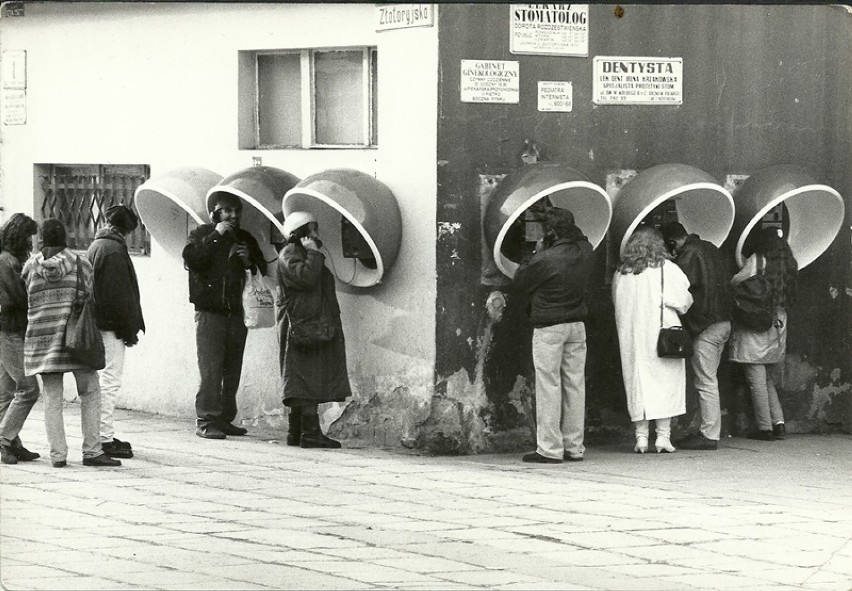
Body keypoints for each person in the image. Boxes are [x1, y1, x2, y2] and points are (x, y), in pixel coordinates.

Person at [22, 219, 120, 468]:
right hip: (76, 339)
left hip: (42, 340)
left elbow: (25, 299)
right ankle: (92, 451)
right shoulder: (80, 263)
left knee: (52, 398)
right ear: (65, 237)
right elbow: (89, 294)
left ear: (41, 239)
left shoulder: (30, 267)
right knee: (90, 391)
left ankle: (58, 455)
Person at [182, 193, 267, 440]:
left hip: (238, 312)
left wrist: (249, 261)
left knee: (232, 369)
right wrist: (216, 235)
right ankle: (206, 420)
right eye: (226, 210)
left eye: (236, 210)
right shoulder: (201, 235)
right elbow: (192, 259)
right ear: (214, 213)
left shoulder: (245, 238)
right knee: (210, 368)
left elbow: (263, 268)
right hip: (210, 312)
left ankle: (225, 418)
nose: (232, 215)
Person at [512, 207, 593, 464]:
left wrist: (536, 251)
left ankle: (549, 448)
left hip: (550, 326)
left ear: (551, 231)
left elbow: (520, 280)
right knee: (575, 385)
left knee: (549, 386)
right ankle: (574, 446)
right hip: (576, 325)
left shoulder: (546, 258)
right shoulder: (585, 250)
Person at [613, 226, 693, 454]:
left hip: (631, 337)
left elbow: (616, 302)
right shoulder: (666, 268)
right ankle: (663, 437)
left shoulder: (622, 272)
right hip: (662, 334)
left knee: (637, 383)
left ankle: (640, 438)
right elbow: (683, 301)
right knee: (666, 383)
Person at [277, 211, 350, 449]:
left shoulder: (301, 254)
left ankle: (297, 430)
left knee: (306, 376)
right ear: (302, 233)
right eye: (313, 229)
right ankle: (309, 433)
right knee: (306, 378)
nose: (318, 234)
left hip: (309, 323)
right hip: (301, 326)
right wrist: (314, 253)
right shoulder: (291, 254)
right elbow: (306, 278)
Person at [660, 222, 733, 451]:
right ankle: (705, 428)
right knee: (709, 378)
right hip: (723, 321)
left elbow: (680, 287)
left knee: (705, 381)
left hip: (705, 324)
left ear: (672, 243)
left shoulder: (689, 254)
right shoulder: (709, 247)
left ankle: (709, 435)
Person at [87, 205, 145, 458]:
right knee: (109, 381)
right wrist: (127, 328)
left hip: (100, 322)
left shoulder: (99, 244)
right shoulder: (113, 250)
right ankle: (103, 438)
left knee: (102, 382)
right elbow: (117, 296)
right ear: (127, 230)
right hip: (110, 326)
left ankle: (102, 434)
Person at [729, 227, 798, 441]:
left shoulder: (758, 260)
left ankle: (764, 428)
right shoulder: (789, 263)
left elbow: (737, 281)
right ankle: (779, 423)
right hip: (778, 320)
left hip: (756, 318)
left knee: (755, 377)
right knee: (765, 377)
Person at [0, 214, 42, 465]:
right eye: (29, 236)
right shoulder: (7, 262)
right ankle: (5, 439)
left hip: (7, 330)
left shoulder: (8, 259)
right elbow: (17, 297)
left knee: (7, 392)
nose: (31, 242)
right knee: (28, 389)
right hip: (11, 331)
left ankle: (13, 443)